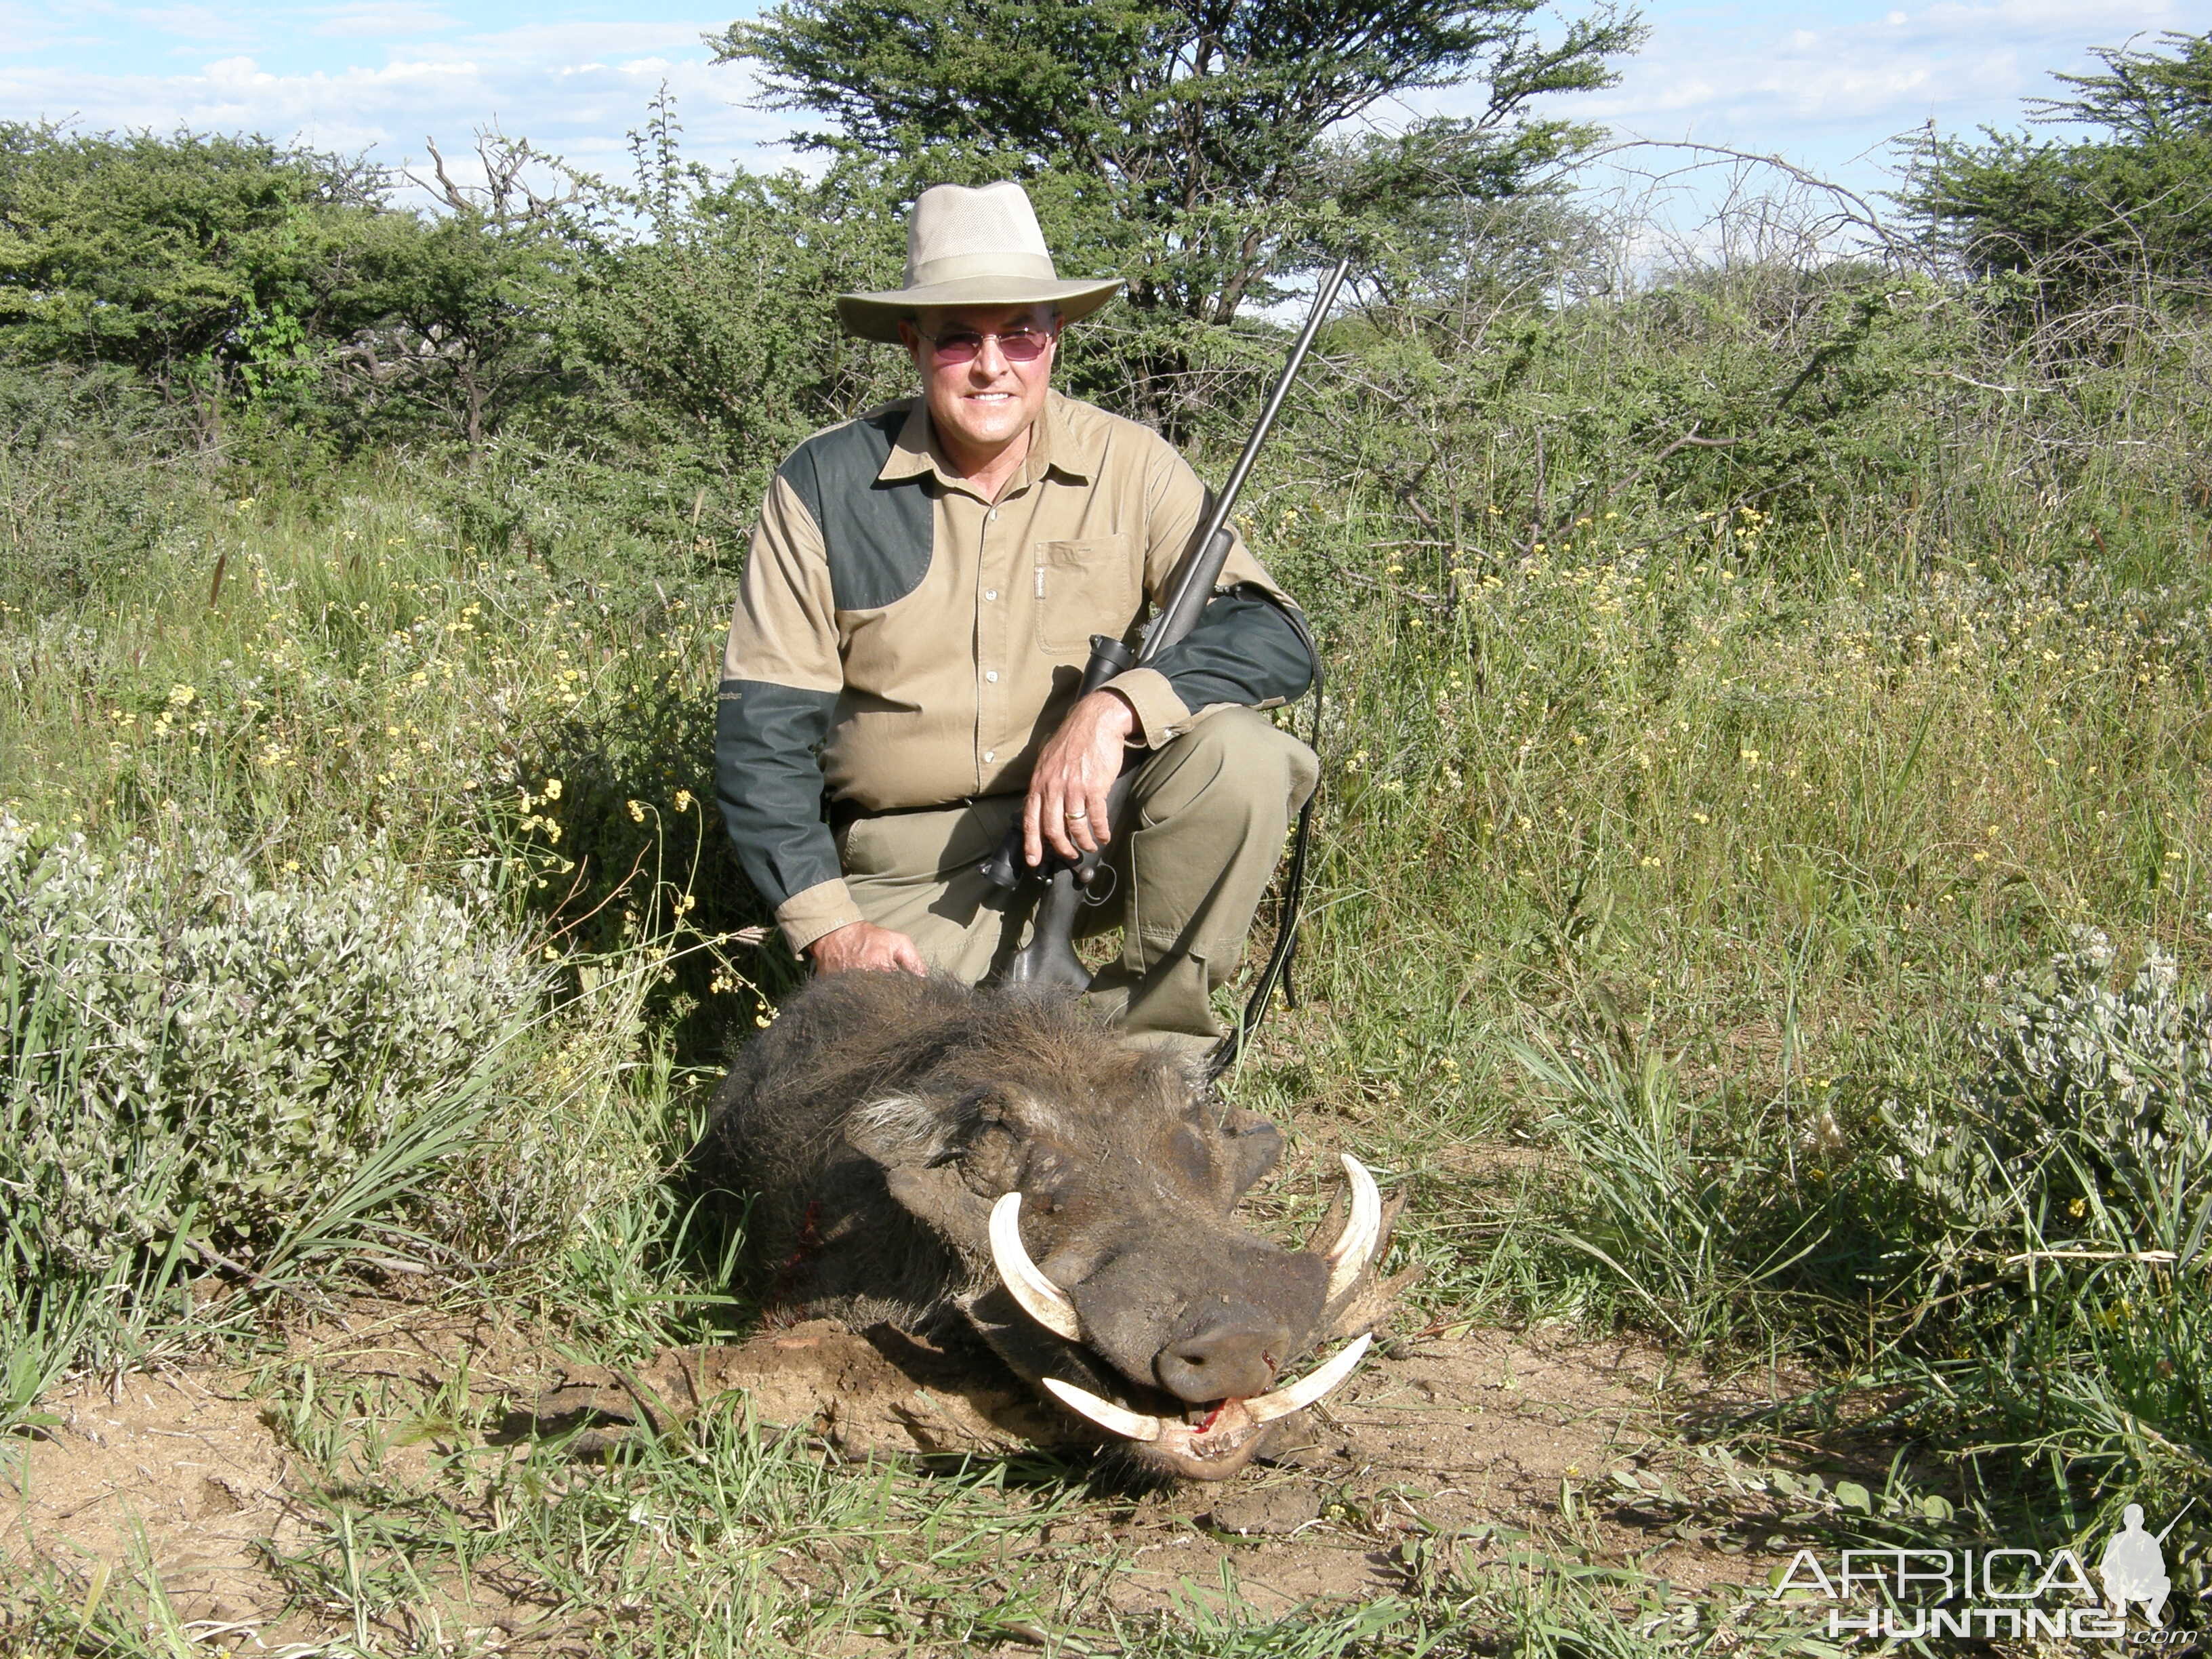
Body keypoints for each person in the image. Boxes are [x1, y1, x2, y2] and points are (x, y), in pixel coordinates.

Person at [714, 180, 1318, 1060]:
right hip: (915, 863)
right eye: (960, 336)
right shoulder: (822, 485)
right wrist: (833, 932)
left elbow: (1272, 635)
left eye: (1020, 334)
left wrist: (1115, 710)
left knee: (1246, 757)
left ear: (1054, 341)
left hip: (1097, 827)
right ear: (912, 345)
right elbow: (762, 736)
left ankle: (1159, 1062)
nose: (992, 364)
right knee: (902, 1091)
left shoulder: (1133, 463)